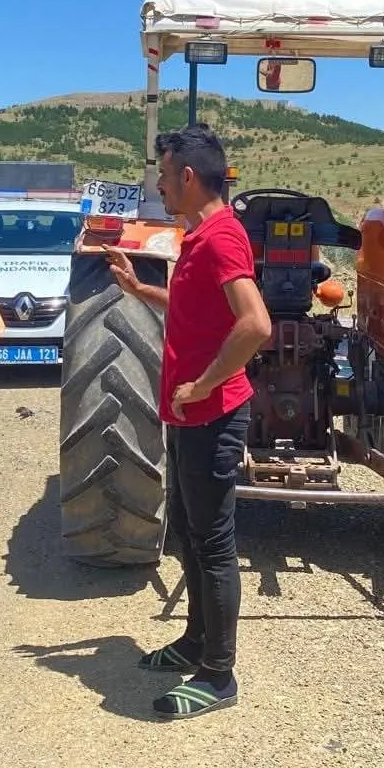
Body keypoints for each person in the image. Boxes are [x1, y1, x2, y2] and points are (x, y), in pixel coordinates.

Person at [105, 123, 272, 719]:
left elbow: (255, 325)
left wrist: (203, 384)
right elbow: (196, 310)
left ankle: (219, 676)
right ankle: (196, 642)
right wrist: (138, 289)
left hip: (212, 416)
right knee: (190, 530)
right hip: (190, 416)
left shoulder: (222, 238)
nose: (159, 184)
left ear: (189, 176)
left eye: (164, 174)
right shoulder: (200, 236)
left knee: (214, 543)